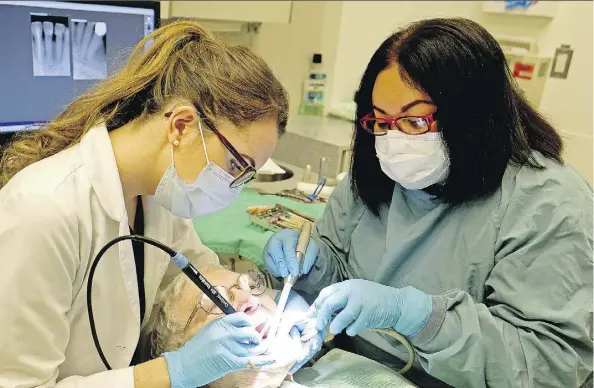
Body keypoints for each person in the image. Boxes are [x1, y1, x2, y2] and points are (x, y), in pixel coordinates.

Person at [263, 17, 593, 388]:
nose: (394, 141)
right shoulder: (376, 173)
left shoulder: (548, 204)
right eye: (382, 121)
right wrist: (314, 266)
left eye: (415, 121)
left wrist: (422, 318)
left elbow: (550, 365)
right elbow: (341, 265)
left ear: (472, 117)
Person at [0, 20, 290, 388]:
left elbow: (202, 277)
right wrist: (171, 372)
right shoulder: (43, 209)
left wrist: (274, 308)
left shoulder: (160, 195)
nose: (235, 186)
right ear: (182, 126)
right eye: (237, 165)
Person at [147, 265, 416, 388]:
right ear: (182, 350)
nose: (249, 299)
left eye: (250, 286)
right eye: (216, 301)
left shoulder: (347, 372)